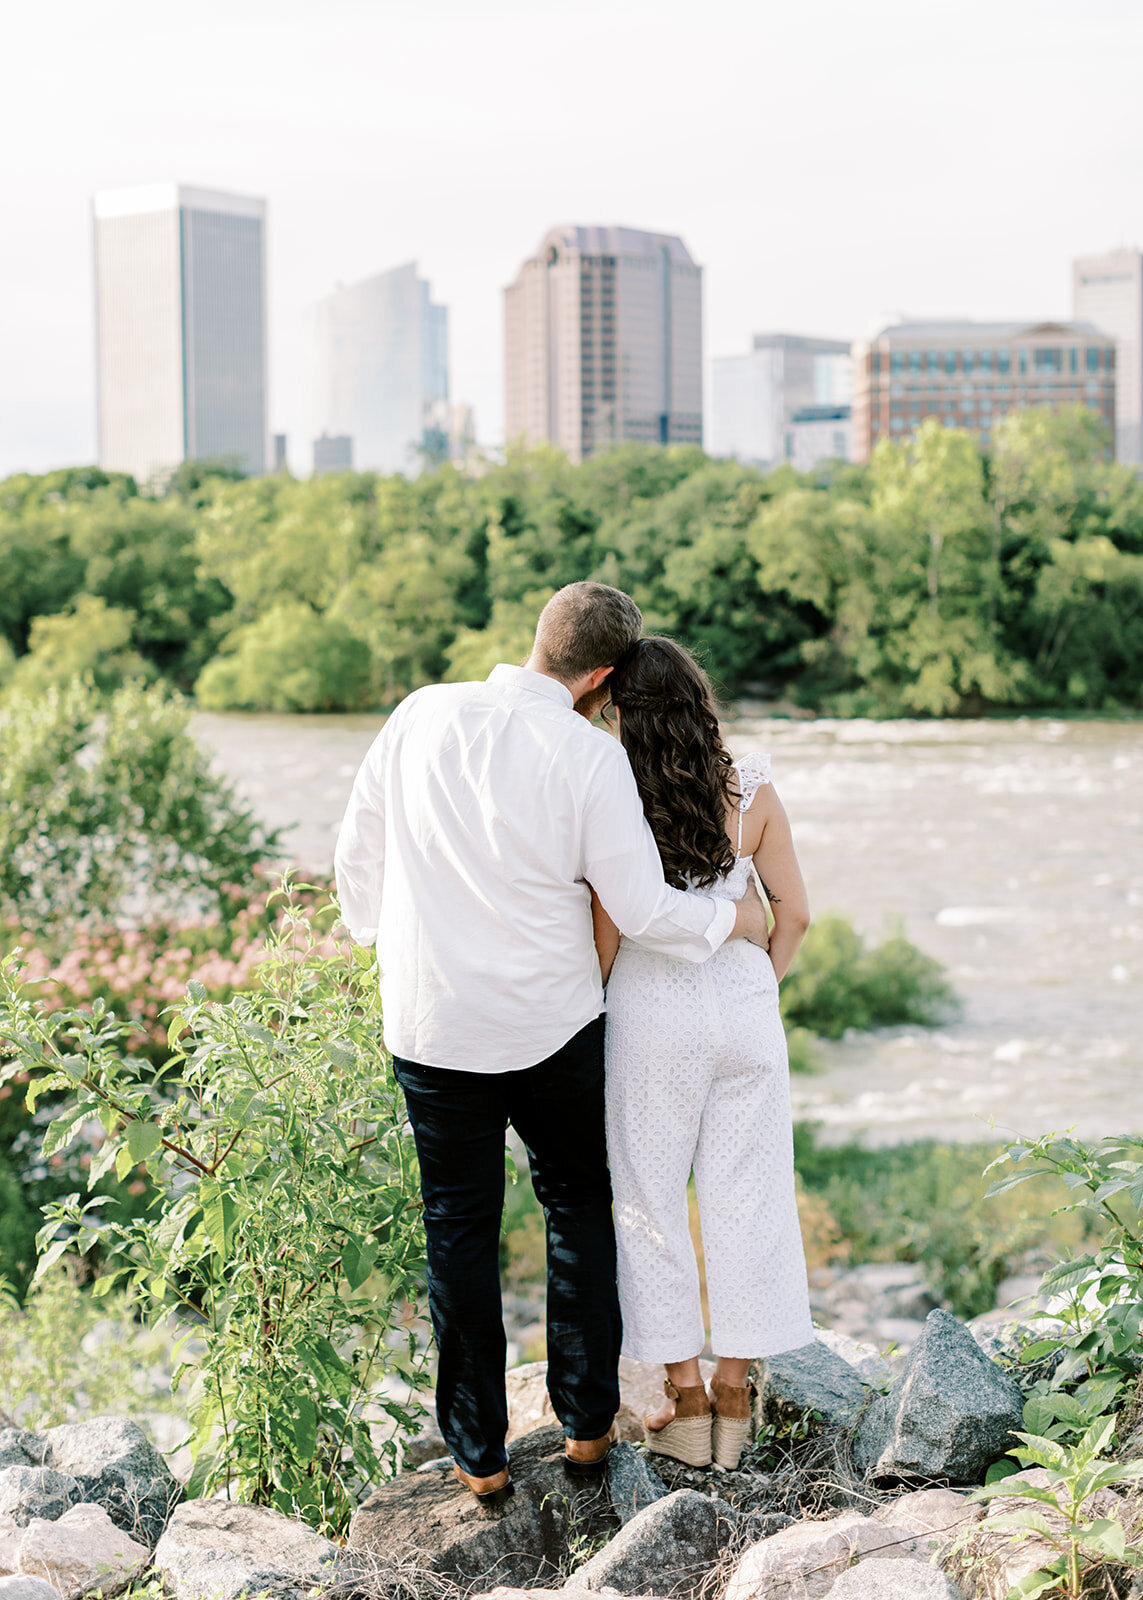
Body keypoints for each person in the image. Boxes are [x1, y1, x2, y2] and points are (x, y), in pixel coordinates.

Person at [333, 583, 770, 1507]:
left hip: (432, 1024)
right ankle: (582, 1427)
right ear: (602, 675)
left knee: (457, 1229)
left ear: (539, 637)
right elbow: (643, 909)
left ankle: (478, 1454)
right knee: (575, 1212)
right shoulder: (587, 756)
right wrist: (736, 918)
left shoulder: (418, 714)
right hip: (551, 1029)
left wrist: (382, 939)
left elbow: (356, 857)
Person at [591, 636, 814, 1472]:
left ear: (624, 712)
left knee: (648, 1201)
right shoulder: (749, 784)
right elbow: (791, 915)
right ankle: (735, 1388)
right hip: (746, 1010)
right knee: (748, 1196)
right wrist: (759, 995)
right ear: (699, 698)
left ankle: (682, 1398)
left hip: (651, 1019)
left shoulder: (614, 794)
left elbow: (609, 934)